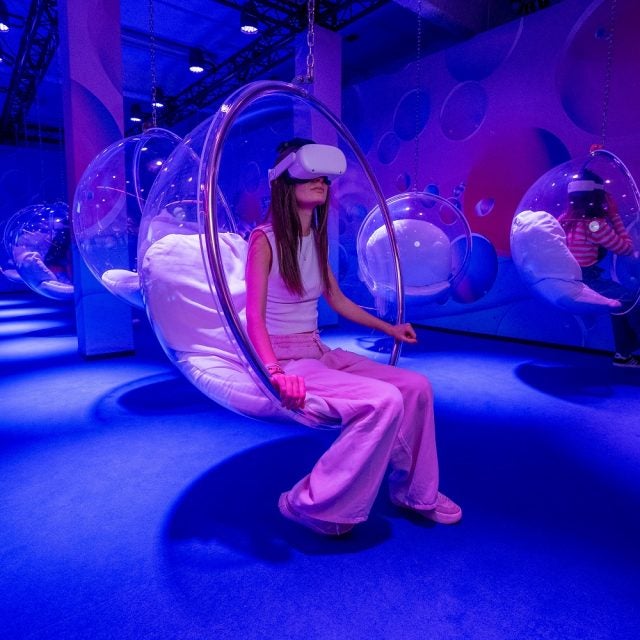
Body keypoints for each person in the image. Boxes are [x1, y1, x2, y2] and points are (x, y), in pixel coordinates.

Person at [245, 138, 461, 536]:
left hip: (318, 350)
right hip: (286, 358)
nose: (321, 183)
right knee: (383, 400)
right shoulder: (264, 239)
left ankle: (416, 493)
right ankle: (309, 503)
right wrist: (273, 373)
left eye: (325, 179)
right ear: (285, 180)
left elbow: (338, 300)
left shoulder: (314, 239)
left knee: (416, 386)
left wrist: (389, 327)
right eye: (310, 175)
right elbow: (253, 318)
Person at [559, 170, 640, 368]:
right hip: (586, 280)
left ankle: (624, 352)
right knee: (628, 299)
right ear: (598, 198)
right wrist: (614, 215)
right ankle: (624, 354)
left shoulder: (565, 220)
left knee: (620, 298)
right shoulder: (594, 225)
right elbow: (625, 248)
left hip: (565, 277)